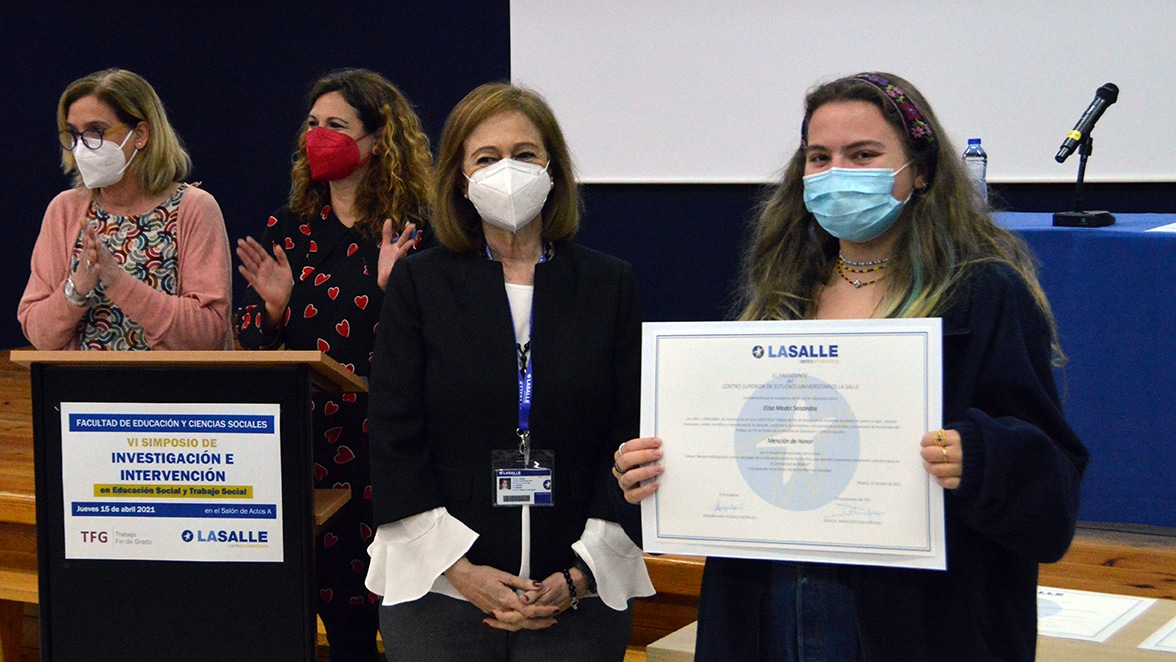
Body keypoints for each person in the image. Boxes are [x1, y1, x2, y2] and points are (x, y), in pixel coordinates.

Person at [613, 72, 1089, 661]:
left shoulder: (983, 293)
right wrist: (651, 473)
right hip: (769, 610)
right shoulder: (780, 296)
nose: (837, 172)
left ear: (921, 170)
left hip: (916, 622)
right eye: (820, 157)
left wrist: (980, 456)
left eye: (862, 155)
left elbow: (1054, 492)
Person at [365, 83, 654, 662]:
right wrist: (461, 571)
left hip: (575, 597)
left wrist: (579, 574)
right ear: (460, 178)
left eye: (525, 154)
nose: (508, 170)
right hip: (442, 594)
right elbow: (394, 435)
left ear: (553, 169)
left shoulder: (608, 284)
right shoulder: (421, 284)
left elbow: (630, 436)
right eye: (486, 158)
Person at [234, 68, 433, 662]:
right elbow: (253, 342)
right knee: (334, 618)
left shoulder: (416, 230)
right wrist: (272, 311)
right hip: (308, 445)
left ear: (378, 140)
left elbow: (442, 347)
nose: (320, 136)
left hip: (386, 445)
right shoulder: (289, 228)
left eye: (338, 126)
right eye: (314, 124)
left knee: (399, 611)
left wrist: (397, 293)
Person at [18, 68, 232, 350]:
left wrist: (118, 282)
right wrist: (76, 289)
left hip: (170, 379)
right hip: (80, 379)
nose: (82, 147)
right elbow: (38, 334)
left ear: (140, 134)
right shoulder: (65, 210)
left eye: (96, 131)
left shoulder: (194, 208)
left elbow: (208, 334)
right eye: (74, 134)